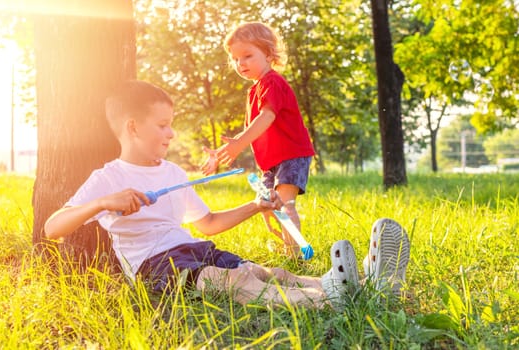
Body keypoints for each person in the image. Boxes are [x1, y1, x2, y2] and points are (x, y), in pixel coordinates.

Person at [44, 80, 410, 309]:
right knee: (234, 282)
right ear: (133, 127)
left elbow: (209, 223)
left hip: (194, 249)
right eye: (163, 125)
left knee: (268, 272)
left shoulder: (173, 172)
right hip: (153, 267)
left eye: (172, 124)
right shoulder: (109, 177)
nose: (171, 134)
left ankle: (360, 284)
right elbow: (52, 228)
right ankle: (332, 301)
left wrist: (255, 205)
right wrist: (102, 203)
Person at [200, 22, 315, 258]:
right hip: (272, 161)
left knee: (285, 204)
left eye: (247, 56)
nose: (240, 63)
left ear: (269, 53)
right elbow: (252, 132)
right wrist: (224, 151)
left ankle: (295, 256)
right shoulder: (254, 91)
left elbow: (267, 117)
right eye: (235, 59)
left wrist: (238, 143)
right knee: (270, 204)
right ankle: (289, 249)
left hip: (291, 154)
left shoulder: (272, 82)